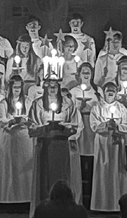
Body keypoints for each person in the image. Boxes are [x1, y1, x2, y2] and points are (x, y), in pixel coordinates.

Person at [28, 75, 83, 212]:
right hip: (45, 146)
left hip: (62, 146)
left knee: (63, 177)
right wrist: (45, 128)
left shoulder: (68, 104)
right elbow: (31, 127)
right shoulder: (38, 104)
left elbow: (75, 125)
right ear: (45, 87)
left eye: (55, 86)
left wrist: (63, 127)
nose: (52, 88)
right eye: (49, 86)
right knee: (45, 180)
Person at [89, 82, 127, 211]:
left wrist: (117, 126)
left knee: (117, 171)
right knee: (103, 171)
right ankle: (101, 204)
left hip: (116, 145)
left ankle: (117, 204)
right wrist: (106, 125)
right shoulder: (97, 107)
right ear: (104, 92)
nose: (110, 92)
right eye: (108, 90)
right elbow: (94, 125)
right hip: (103, 143)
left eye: (113, 90)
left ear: (117, 93)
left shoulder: (121, 108)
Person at [0, 75, 34, 203]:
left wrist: (24, 120)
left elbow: (32, 117)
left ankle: (26, 197)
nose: (17, 90)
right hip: (9, 139)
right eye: (14, 87)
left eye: (19, 87)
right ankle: (8, 198)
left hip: (24, 139)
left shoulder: (27, 101)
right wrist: (11, 121)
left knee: (23, 169)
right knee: (10, 169)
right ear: (10, 87)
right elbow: (1, 120)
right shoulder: (3, 103)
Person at [69, 62, 99, 161]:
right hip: (80, 122)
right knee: (81, 151)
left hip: (92, 123)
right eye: (84, 72)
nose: (86, 75)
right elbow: (70, 109)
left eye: (88, 73)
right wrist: (79, 107)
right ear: (79, 74)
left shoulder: (97, 90)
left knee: (92, 151)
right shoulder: (73, 91)